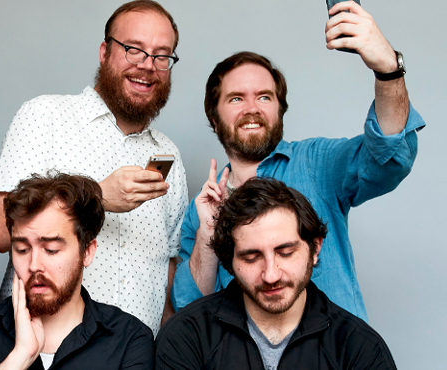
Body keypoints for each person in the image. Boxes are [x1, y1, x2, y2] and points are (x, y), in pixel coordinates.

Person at [171, 1, 425, 321]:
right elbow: (191, 312)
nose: (252, 108)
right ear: (214, 114)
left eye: (264, 96)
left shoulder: (317, 164)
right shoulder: (201, 210)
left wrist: (388, 70)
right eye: (236, 98)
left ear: (280, 108)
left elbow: (389, 159)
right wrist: (208, 234)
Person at [0, 0, 188, 334]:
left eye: (161, 55)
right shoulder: (45, 116)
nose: (148, 65)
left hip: (135, 355)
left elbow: (169, 264)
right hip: (42, 347)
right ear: (104, 52)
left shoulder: (167, 153)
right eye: (133, 49)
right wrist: (95, 195)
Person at [157, 178, 397, 369]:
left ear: (315, 248)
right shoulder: (186, 337)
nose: (270, 275)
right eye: (251, 258)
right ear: (230, 260)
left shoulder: (360, 348)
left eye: (285, 253)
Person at [0, 173, 154, 370]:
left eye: (51, 250)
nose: (34, 265)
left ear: (87, 252)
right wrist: (20, 357)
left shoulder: (129, 340)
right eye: (22, 249)